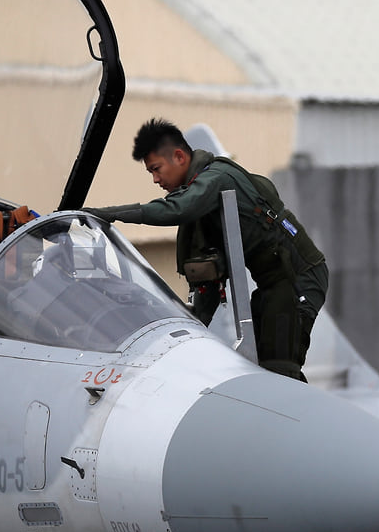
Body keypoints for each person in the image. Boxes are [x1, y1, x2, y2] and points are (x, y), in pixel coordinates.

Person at [84, 118, 327, 382]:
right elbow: (208, 281)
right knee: (260, 365)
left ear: (179, 157)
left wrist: (110, 214)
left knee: (280, 367)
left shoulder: (216, 179)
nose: (155, 179)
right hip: (272, 282)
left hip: (299, 278)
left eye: (157, 169)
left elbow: (177, 209)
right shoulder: (203, 200)